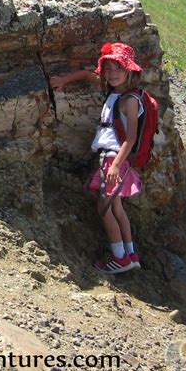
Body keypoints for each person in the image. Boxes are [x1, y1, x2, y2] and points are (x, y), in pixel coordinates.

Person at [50, 42, 144, 274]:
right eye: (108, 69)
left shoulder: (129, 101)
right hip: (112, 159)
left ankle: (119, 257)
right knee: (117, 209)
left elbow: (130, 139)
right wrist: (64, 80)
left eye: (117, 69)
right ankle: (130, 255)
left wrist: (115, 167)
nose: (112, 74)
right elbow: (86, 74)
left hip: (114, 160)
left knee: (104, 208)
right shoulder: (113, 91)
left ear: (129, 71)